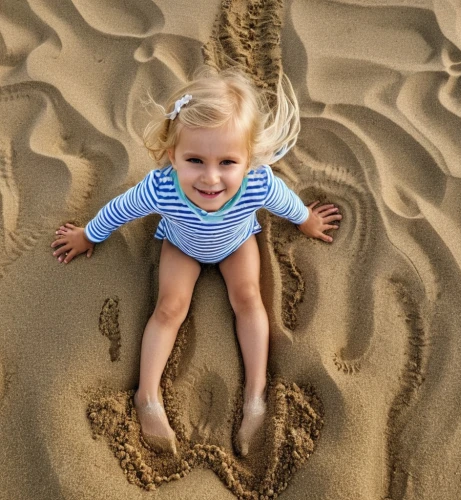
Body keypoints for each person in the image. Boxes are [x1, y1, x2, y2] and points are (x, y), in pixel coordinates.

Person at [51, 67, 342, 457]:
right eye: (195, 160)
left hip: (237, 244)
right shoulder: (162, 188)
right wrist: (87, 235)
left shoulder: (257, 183)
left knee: (249, 300)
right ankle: (147, 395)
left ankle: (255, 396)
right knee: (169, 308)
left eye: (227, 162)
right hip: (181, 244)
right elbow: (119, 211)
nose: (210, 178)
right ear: (173, 155)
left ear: (249, 159)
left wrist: (307, 221)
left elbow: (286, 203)